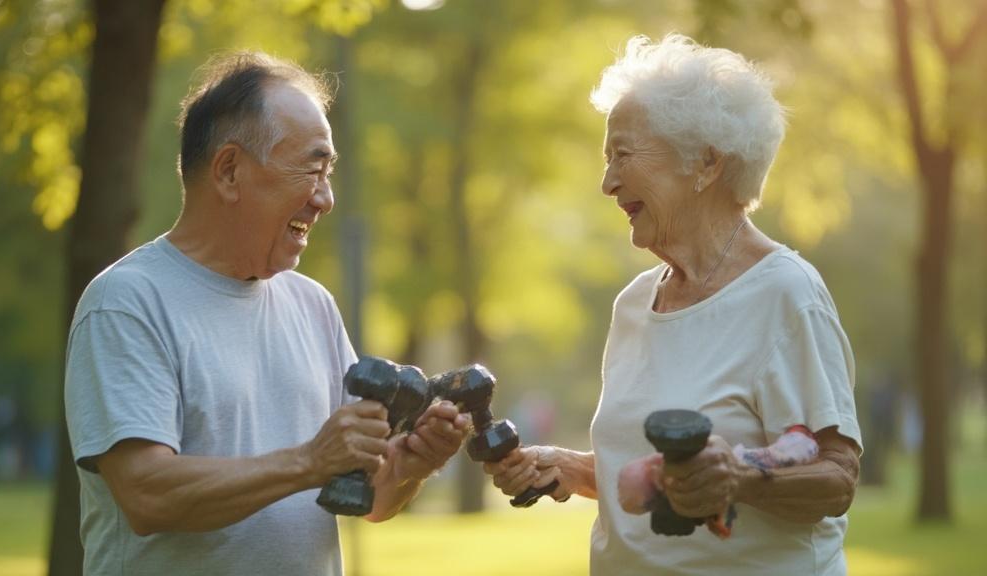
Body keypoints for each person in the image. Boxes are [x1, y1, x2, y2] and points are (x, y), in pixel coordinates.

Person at [64, 52, 470, 576]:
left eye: (329, 173)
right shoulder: (126, 303)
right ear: (230, 171)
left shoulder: (313, 305)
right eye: (312, 169)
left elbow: (366, 495)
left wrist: (413, 465)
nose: (326, 198)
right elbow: (146, 494)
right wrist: (308, 461)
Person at [485, 34, 862, 575]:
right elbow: (660, 473)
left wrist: (740, 480)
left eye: (623, 154)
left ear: (705, 162)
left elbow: (838, 475)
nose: (607, 182)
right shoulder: (635, 304)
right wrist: (570, 468)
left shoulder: (786, 294)